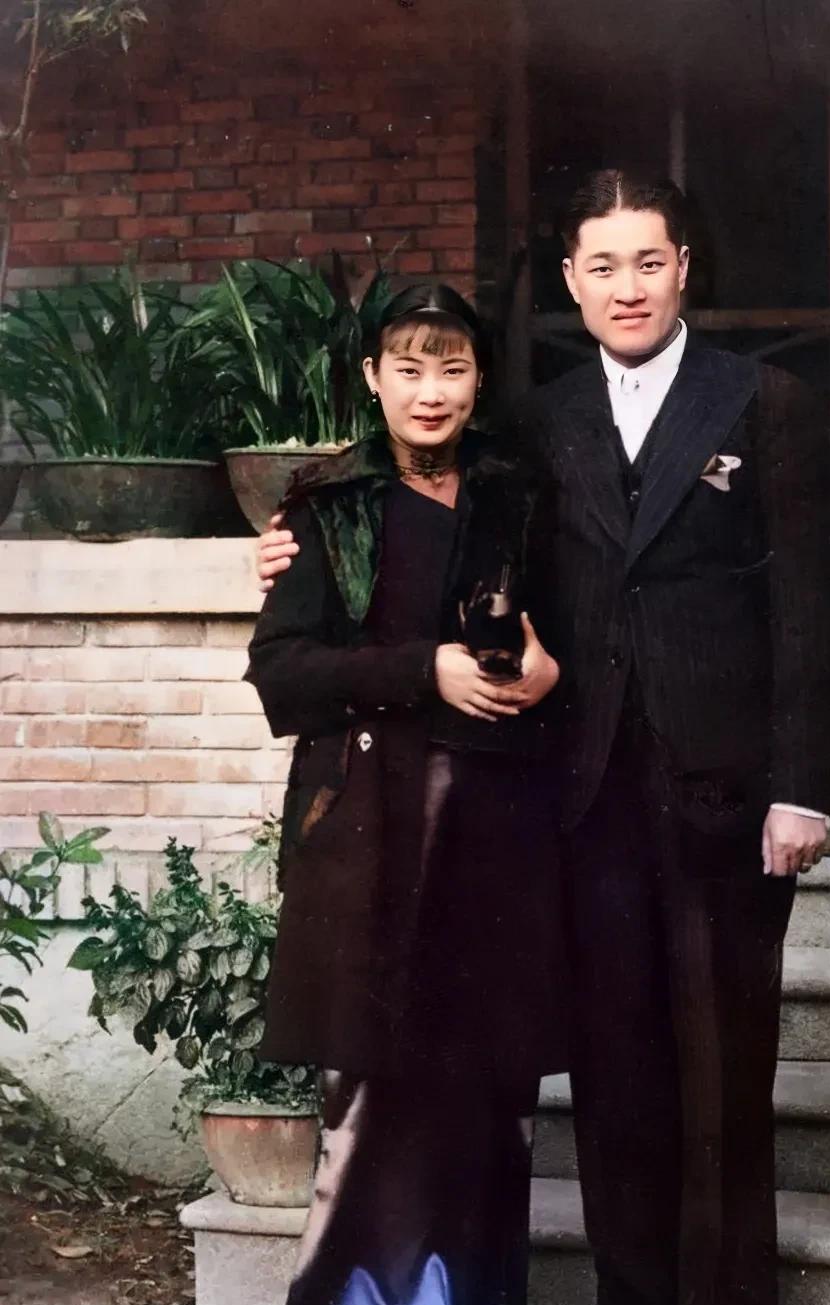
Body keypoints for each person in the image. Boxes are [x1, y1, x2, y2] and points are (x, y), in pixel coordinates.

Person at [257, 171, 830, 1305]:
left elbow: (811, 611)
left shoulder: (763, 402)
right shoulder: (536, 421)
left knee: (721, 1082)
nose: (628, 288)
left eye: (649, 262)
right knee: (618, 1081)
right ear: (572, 280)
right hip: (578, 801)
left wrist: (800, 790)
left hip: (724, 798)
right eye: (603, 266)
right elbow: (418, 513)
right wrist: (289, 541)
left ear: (683, 270)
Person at [245, 283, 564, 1305]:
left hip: (495, 840)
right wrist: (422, 670)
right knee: (373, 1103)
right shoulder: (327, 506)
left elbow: (566, 640)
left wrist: (546, 672)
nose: (431, 393)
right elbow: (281, 672)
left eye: (453, 369)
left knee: (487, 1103)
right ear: (373, 379)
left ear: (480, 379)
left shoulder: (518, 496)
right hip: (373, 839)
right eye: (409, 369)